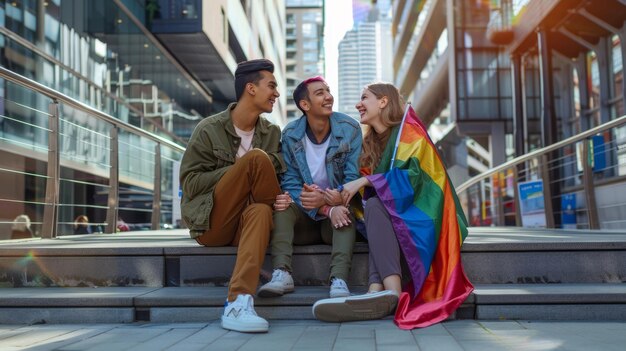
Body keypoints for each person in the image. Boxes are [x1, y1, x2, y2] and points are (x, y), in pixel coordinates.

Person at [312, 83, 473, 329]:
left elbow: (416, 180)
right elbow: (366, 199)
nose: (358, 105)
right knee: (375, 205)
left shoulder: (410, 134)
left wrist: (366, 180)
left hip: (424, 216)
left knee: (377, 203)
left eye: (364, 98)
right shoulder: (368, 146)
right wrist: (334, 198)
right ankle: (378, 289)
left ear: (384, 102)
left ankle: (390, 292)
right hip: (386, 221)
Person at [179, 58, 288, 333]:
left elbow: (276, 177)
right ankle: (283, 234)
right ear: (251, 88)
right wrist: (237, 173)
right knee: (254, 161)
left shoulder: (271, 132)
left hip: (249, 223)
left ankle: (238, 302)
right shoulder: (209, 129)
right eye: (271, 86)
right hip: (212, 223)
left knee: (262, 210)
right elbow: (190, 183)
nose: (276, 93)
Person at [257, 76, 362, 299]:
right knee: (283, 206)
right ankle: (282, 273)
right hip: (304, 220)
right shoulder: (291, 134)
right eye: (320, 93)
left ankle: (339, 279)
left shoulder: (350, 129)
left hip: (333, 222)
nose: (328, 97)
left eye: (328, 90)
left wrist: (326, 201)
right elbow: (291, 183)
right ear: (305, 105)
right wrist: (323, 207)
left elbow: (352, 179)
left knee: (345, 214)